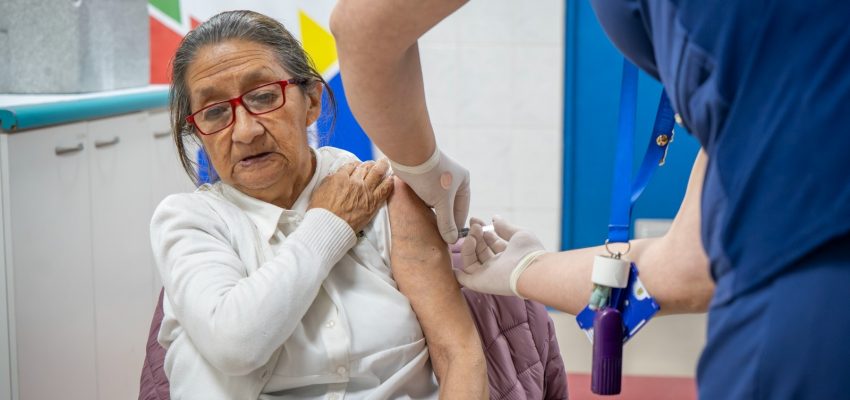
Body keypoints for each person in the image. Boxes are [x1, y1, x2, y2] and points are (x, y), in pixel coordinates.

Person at [331, 0, 850, 398]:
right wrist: (526, 269)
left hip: (805, 328)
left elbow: (363, 29)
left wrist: (424, 168)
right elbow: (690, 265)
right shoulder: (786, 88)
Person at [150, 10, 486, 399]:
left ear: (311, 101)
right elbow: (235, 343)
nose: (245, 131)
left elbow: (459, 354)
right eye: (214, 112)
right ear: (198, 132)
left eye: (264, 96)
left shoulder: (381, 193)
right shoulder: (189, 221)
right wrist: (329, 223)